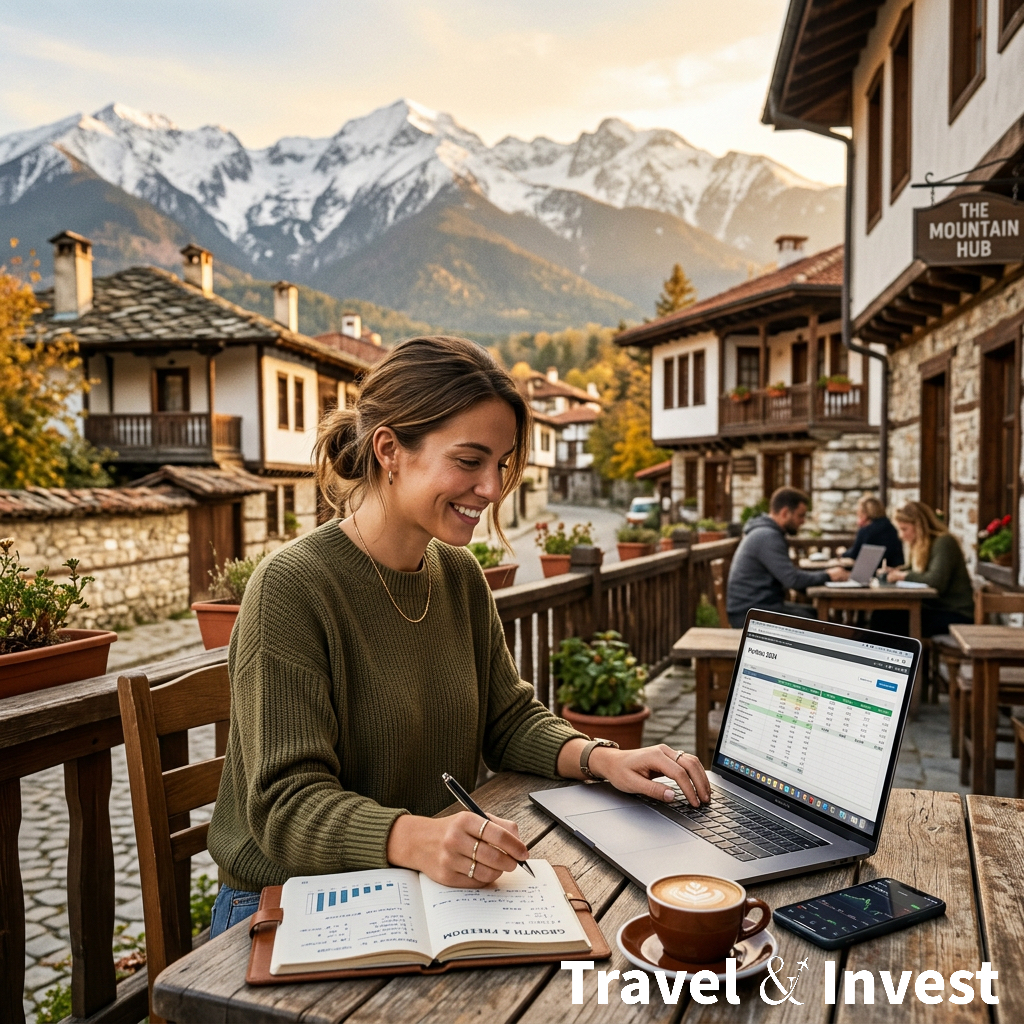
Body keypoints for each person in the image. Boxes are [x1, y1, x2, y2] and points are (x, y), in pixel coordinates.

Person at [206, 336, 710, 938]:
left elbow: (508, 719)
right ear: (389, 449)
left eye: (501, 465)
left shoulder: (459, 576)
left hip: (425, 887)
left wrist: (602, 758)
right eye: (470, 462)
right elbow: (284, 806)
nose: (494, 489)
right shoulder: (291, 588)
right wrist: (416, 836)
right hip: (288, 905)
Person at [726, 487, 849, 628]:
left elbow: (789, 577)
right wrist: (829, 576)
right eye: (800, 515)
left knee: (815, 614)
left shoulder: (765, 533)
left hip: (754, 609)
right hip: (750, 615)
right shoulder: (767, 536)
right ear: (785, 513)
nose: (803, 521)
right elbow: (792, 579)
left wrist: (824, 577)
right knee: (819, 621)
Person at [881, 501, 973, 636]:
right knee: (884, 615)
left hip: (955, 613)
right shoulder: (921, 545)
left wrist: (901, 576)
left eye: (904, 529)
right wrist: (895, 571)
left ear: (919, 526)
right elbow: (914, 569)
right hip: (935, 608)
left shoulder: (944, 542)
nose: (901, 535)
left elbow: (935, 581)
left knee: (890, 620)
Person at [846, 495, 903, 569]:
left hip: (872, 571)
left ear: (864, 514)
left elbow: (854, 554)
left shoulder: (866, 530)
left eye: (858, 513)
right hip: (893, 569)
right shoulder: (891, 527)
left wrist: (842, 553)